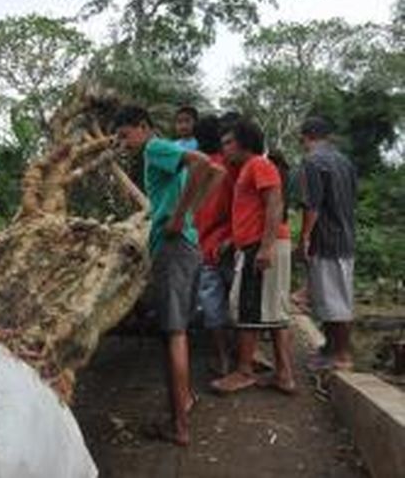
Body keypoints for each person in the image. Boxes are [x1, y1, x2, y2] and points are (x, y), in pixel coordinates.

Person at [114, 105, 225, 446]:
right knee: (179, 332)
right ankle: (185, 401)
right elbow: (217, 173)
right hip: (186, 246)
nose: (123, 142)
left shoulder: (155, 148)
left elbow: (206, 165)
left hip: (173, 247)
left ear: (144, 127)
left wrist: (179, 216)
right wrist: (188, 212)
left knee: (173, 334)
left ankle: (179, 427)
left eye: (124, 134)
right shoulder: (162, 153)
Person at [211, 119, 296, 395]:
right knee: (273, 310)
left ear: (244, 142)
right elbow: (254, 211)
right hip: (258, 243)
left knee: (249, 308)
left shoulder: (259, 164)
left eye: (228, 142)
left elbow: (274, 202)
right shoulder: (249, 168)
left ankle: (244, 371)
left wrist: (265, 247)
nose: (224, 149)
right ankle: (284, 374)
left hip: (262, 246)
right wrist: (232, 240)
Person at [297, 117, 357, 371]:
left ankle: (341, 355)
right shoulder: (345, 161)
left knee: (335, 302)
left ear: (306, 136)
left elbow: (313, 205)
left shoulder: (312, 161)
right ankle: (330, 349)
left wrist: (305, 236)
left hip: (327, 238)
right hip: (345, 235)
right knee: (332, 298)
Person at [192, 115, 236, 376]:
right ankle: (242, 353)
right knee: (239, 303)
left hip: (205, 247)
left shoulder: (196, 168)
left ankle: (221, 358)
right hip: (230, 245)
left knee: (212, 306)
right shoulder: (231, 167)